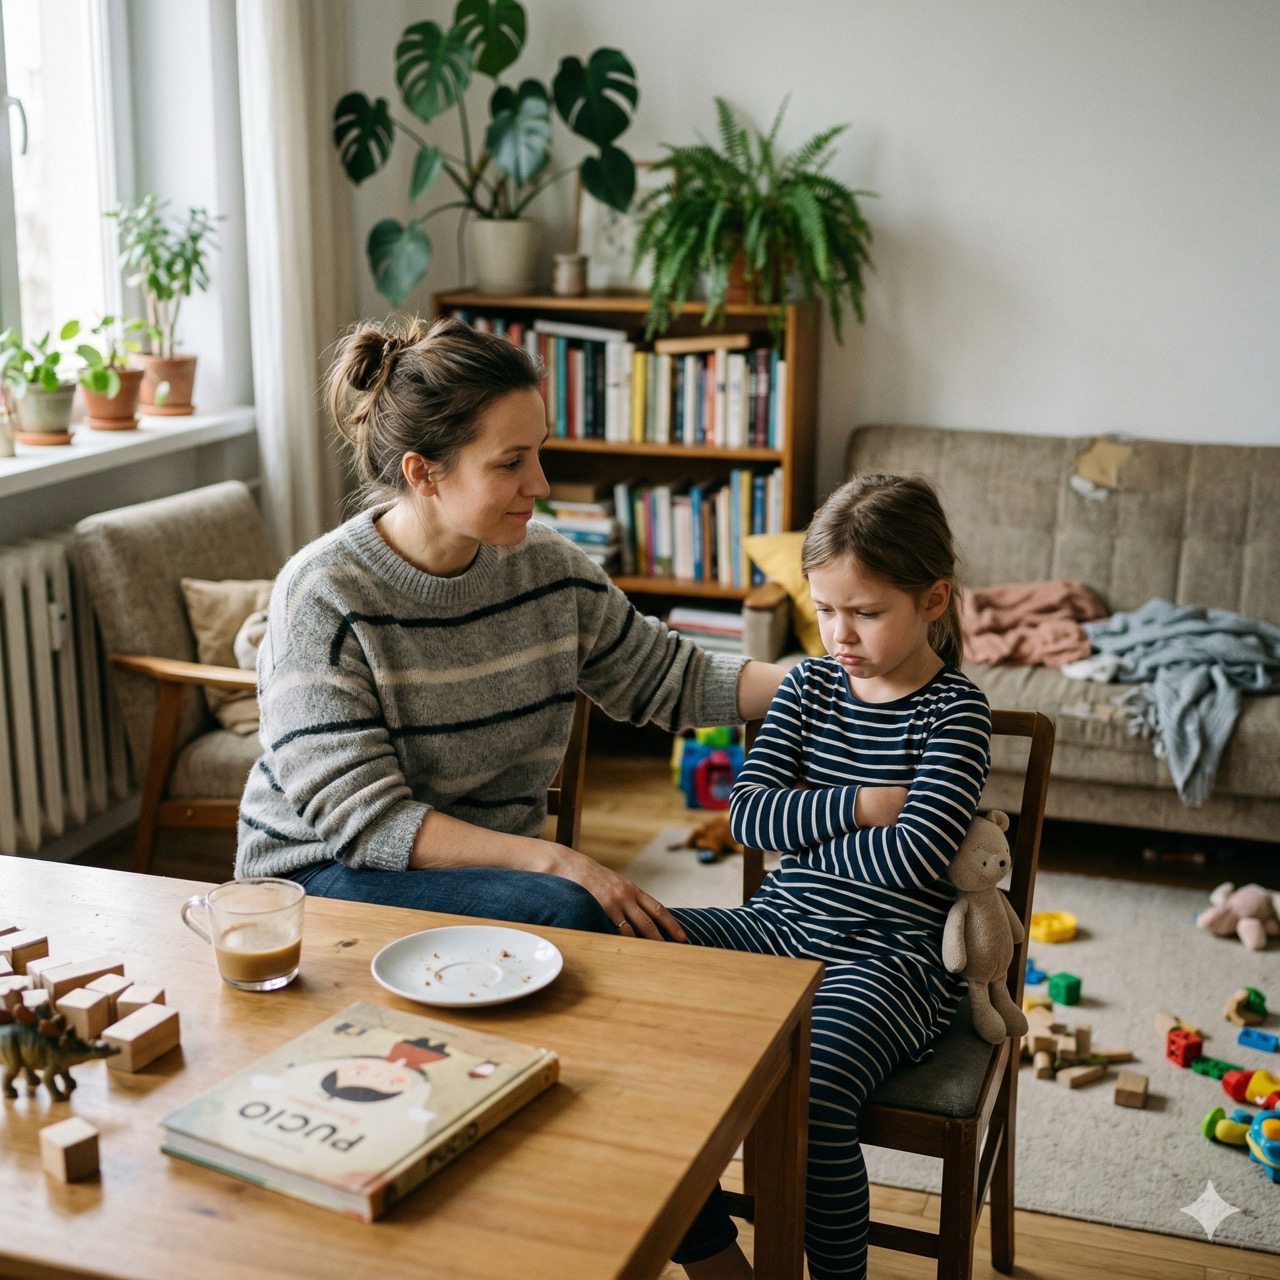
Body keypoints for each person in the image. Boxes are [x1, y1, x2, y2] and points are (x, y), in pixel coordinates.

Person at [235, 314, 786, 941]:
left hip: (487, 874)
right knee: (571, 909)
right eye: (510, 463)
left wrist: (826, 684)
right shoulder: (323, 593)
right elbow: (366, 823)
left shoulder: (547, 567)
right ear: (422, 473)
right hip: (318, 876)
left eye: (538, 452)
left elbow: (669, 677)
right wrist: (557, 862)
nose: (540, 484)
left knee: (595, 919)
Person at [669, 475, 992, 1280]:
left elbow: (915, 860)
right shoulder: (808, 686)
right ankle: (708, 1248)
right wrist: (863, 803)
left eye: (866, 613)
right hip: (776, 924)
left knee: (812, 1095)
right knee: (625, 943)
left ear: (932, 599)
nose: (839, 634)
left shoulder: (955, 713)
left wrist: (810, 832)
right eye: (825, 609)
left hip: (891, 959)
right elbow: (749, 817)